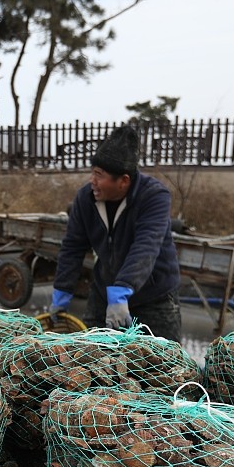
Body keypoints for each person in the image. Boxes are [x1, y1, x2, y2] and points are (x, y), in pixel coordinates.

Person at [48, 125, 182, 341]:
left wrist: (122, 290)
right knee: (93, 361)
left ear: (123, 181)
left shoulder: (154, 196)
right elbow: (72, 247)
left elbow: (146, 246)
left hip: (154, 298)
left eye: (99, 175)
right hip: (104, 294)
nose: (92, 181)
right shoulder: (85, 199)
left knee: (161, 366)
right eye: (92, 173)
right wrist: (62, 291)